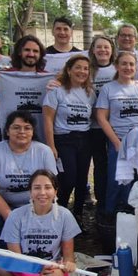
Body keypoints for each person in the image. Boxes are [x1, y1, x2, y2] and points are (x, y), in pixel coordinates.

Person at [0, 110, 58, 248]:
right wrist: (10, 216)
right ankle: (6, 247)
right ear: (7, 131)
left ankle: (30, 247)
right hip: (5, 206)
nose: (22, 132)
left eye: (27, 128)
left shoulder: (44, 151)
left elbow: (51, 188)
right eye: (16, 128)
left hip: (35, 205)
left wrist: (36, 213)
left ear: (33, 131)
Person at [95, 51, 138, 219]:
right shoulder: (108, 88)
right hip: (120, 140)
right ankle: (112, 215)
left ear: (136, 67)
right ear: (116, 66)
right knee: (117, 180)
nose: (128, 67)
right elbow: (101, 117)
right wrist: (115, 141)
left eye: (131, 64)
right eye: (124, 64)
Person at [42, 54, 95, 217]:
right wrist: (51, 145)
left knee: (81, 181)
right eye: (78, 67)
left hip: (84, 140)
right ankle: (59, 215)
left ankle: (77, 217)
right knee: (67, 180)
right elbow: (48, 119)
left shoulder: (90, 93)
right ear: (69, 70)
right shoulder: (56, 90)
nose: (82, 71)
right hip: (64, 140)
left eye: (86, 68)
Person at [87, 34, 117, 229]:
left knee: (115, 167)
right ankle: (101, 204)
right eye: (99, 47)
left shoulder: (117, 69)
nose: (103, 51)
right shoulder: (88, 70)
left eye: (106, 47)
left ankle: (114, 204)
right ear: (93, 50)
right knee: (100, 166)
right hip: (94, 127)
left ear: (112, 50)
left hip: (115, 126)